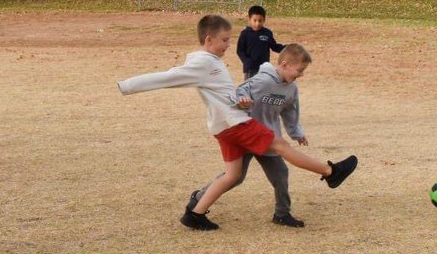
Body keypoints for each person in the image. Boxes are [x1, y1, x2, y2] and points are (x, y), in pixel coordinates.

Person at [118, 15, 358, 231]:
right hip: (236, 124)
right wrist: (128, 86)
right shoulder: (205, 63)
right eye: (224, 39)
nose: (228, 44)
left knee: (233, 176)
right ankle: (331, 172)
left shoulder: (210, 62)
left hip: (225, 128)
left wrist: (239, 100)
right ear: (209, 39)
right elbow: (168, 77)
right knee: (281, 146)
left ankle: (195, 213)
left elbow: (222, 94)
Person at [189, 44, 315, 227]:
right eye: (300, 70)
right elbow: (240, 92)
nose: (301, 75)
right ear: (285, 64)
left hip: (269, 140)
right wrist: (242, 100)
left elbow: (290, 112)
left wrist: (296, 133)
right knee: (235, 177)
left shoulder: (291, 89)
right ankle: (199, 198)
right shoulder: (262, 81)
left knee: (280, 174)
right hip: (247, 135)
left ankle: (282, 213)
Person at [236, 5, 284, 80]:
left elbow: (274, 47)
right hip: (250, 69)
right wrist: (246, 61)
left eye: (260, 20)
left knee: (263, 89)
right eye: (254, 20)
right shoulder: (245, 34)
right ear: (249, 19)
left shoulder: (267, 33)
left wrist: (287, 48)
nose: (257, 23)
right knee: (250, 90)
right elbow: (240, 51)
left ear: (264, 20)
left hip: (264, 69)